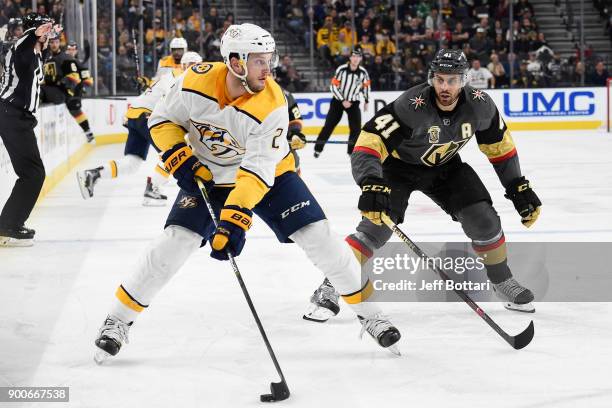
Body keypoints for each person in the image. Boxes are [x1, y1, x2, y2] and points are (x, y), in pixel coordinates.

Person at [92, 24, 401, 364]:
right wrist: (179, 157)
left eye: (270, 60)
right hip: (209, 176)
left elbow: (256, 171)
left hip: (270, 175)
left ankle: (372, 315)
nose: (268, 69)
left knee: (320, 238)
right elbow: (162, 121)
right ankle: (117, 320)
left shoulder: (273, 103)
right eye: (259, 61)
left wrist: (233, 223)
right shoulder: (195, 80)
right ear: (236, 62)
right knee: (173, 243)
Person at [306, 49, 541, 321]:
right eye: (440, 80)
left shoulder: (480, 105)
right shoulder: (411, 105)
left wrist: (518, 187)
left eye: (452, 81)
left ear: (464, 80)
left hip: (446, 167)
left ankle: (503, 282)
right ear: (431, 78)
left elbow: (501, 149)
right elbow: (368, 142)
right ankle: (331, 285)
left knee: (485, 220)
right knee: (375, 228)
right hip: (397, 168)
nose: (445, 87)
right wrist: (371, 183)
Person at [76, 51, 204, 206]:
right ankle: (153, 189)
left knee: (132, 163)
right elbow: (175, 105)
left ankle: (93, 174)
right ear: (182, 66)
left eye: (196, 66)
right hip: (147, 116)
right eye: (190, 65)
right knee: (174, 153)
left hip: (135, 114)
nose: (192, 69)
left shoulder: (171, 75)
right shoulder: (181, 79)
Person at [0, 13, 60, 247]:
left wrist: (42, 38)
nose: (49, 35)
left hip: (17, 117)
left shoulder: (33, 52)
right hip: (12, 116)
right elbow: (26, 40)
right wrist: (36, 31)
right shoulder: (22, 47)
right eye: (45, 31)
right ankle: (8, 225)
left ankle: (8, 223)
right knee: (33, 174)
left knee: (31, 173)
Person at [313, 48, 370, 157]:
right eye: (353, 56)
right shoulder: (342, 69)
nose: (355, 59)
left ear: (360, 59)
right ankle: (318, 148)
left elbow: (366, 87)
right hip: (338, 102)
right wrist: (343, 100)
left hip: (354, 103)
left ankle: (351, 152)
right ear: (350, 58)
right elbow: (333, 86)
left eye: (358, 57)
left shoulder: (363, 72)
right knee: (329, 125)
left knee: (356, 129)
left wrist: (366, 100)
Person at [41, 35, 95, 143]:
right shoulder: (46, 58)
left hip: (71, 91)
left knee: (74, 107)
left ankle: (88, 131)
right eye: (69, 49)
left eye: (73, 49)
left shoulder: (69, 60)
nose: (71, 51)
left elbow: (87, 81)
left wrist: (75, 86)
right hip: (54, 89)